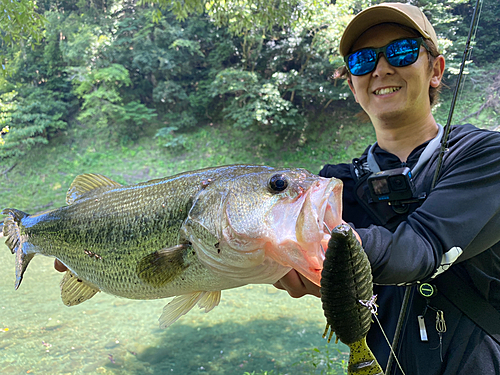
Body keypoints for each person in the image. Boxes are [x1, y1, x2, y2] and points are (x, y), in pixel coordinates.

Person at [274, 3, 500, 375]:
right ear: (352, 84)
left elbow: (422, 248)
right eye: (363, 60)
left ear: (436, 70)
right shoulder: (333, 187)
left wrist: (321, 245)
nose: (380, 68)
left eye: (401, 50)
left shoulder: (483, 157)